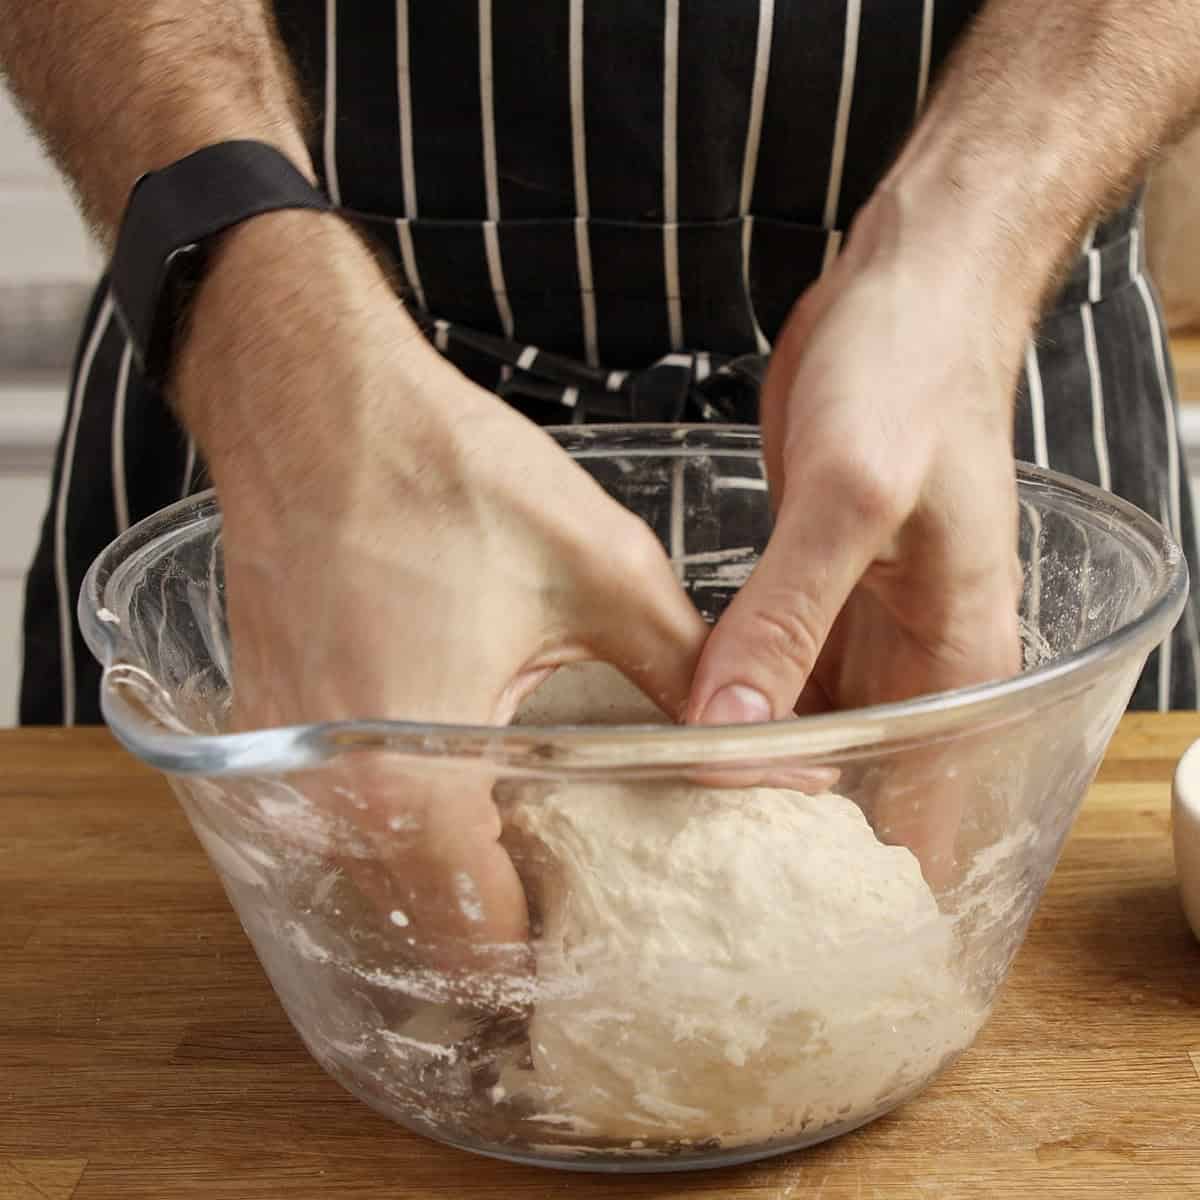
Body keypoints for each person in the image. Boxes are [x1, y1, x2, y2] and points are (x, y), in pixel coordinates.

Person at [3, 3, 1199, 942]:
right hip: (272, 373)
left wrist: (975, 230)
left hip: (967, 393)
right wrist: (263, 327)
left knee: (965, 911)